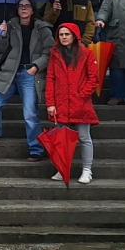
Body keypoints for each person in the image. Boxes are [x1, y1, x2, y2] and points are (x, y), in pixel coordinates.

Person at [0, 0, 53, 161]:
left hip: (29, 72)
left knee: (30, 113)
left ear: (33, 9)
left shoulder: (42, 28)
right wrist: (2, 34)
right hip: (9, 71)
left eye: (27, 6)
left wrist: (36, 67)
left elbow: (50, 51)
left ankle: (36, 149)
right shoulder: (11, 24)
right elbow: (0, 49)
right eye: (21, 6)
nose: (23, 9)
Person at [43, 23, 100, 183]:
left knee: (83, 137)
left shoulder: (87, 54)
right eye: (61, 34)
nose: (64, 37)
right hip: (61, 101)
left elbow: (93, 78)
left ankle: (87, 170)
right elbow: (50, 79)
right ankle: (62, 168)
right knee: (62, 138)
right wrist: (50, 103)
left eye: (67, 34)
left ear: (74, 35)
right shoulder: (55, 54)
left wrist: (81, 95)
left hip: (80, 102)